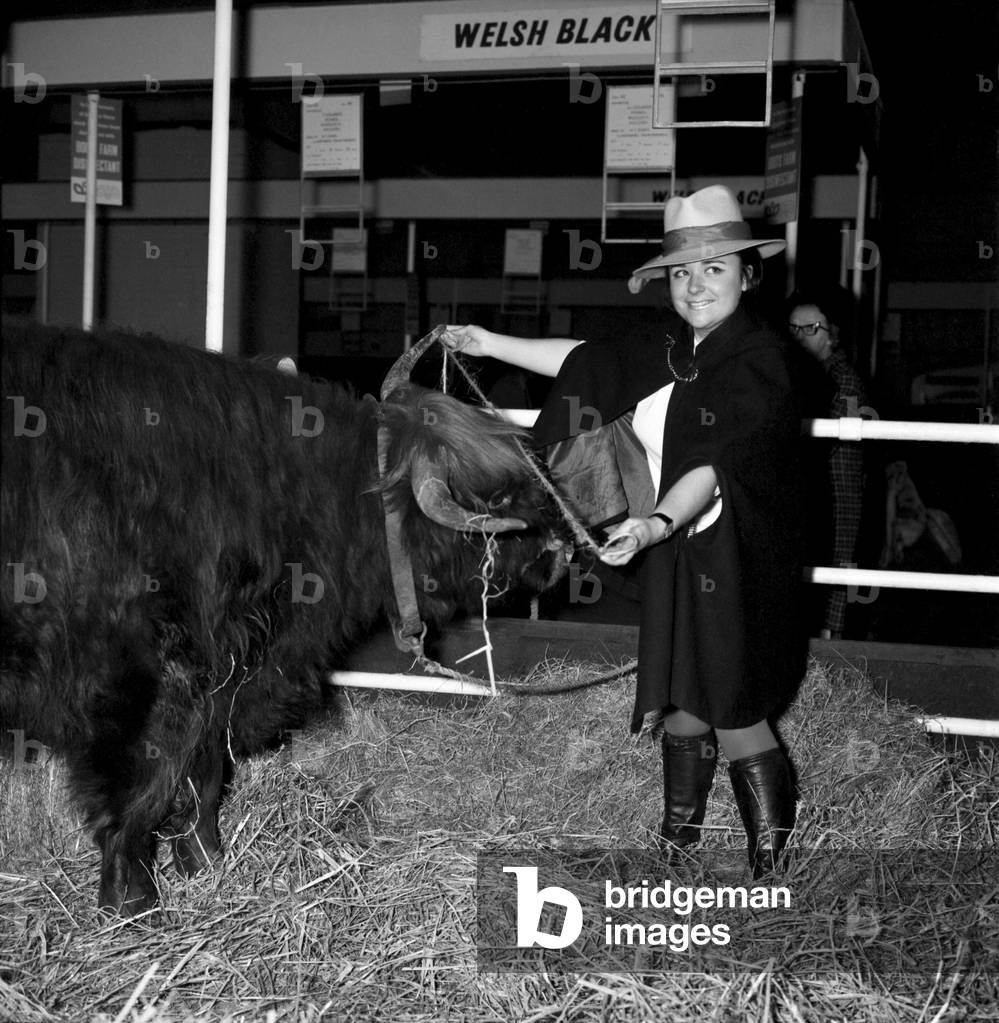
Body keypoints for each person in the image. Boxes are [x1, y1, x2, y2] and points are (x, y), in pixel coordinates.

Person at [444, 185, 805, 878]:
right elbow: (585, 359)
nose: (695, 284)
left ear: (747, 274)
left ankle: (769, 857)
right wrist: (488, 342)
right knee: (677, 688)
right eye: (680, 271)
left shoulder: (761, 359)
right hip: (671, 543)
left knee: (728, 696)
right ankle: (677, 838)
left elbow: (716, 463)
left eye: (714, 268)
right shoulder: (670, 347)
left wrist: (655, 521)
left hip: (733, 549)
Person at [787, 285, 869, 639]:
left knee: (836, 563)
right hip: (811, 486)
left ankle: (832, 641)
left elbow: (836, 439)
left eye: (811, 328)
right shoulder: (798, 374)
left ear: (831, 335)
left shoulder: (843, 378)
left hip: (839, 487)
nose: (801, 337)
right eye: (794, 329)